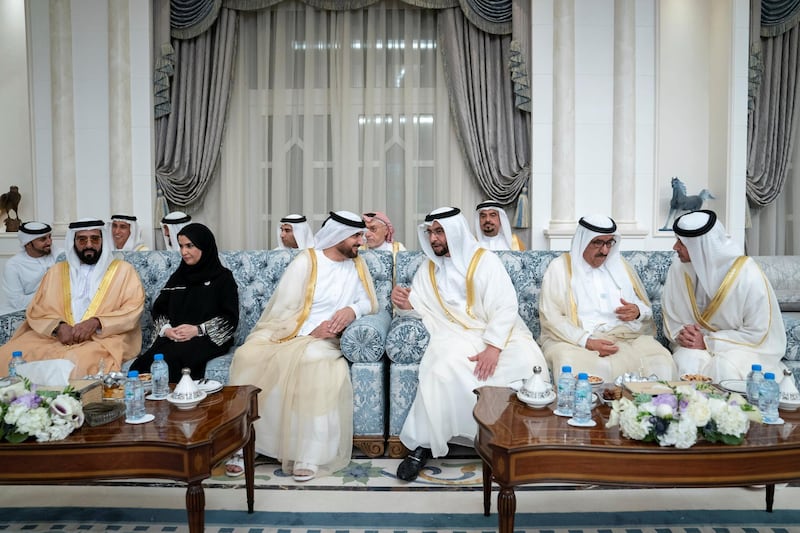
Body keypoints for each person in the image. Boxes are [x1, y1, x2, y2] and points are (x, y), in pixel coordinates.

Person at [393, 207, 546, 482]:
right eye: (430, 232)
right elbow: (422, 306)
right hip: (453, 335)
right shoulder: (428, 269)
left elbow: (505, 304)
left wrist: (494, 347)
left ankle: (521, 441)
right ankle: (423, 444)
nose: (433, 238)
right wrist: (406, 305)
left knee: (526, 362)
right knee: (441, 369)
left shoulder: (484, 261)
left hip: (499, 333)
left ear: (455, 232)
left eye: (439, 232)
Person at [225, 211, 379, 481]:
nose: (361, 242)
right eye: (356, 236)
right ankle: (247, 443)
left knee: (313, 360)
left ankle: (309, 453)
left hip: (329, 339)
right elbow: (284, 307)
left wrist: (351, 310)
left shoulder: (357, 265)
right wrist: (308, 330)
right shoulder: (306, 262)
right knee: (247, 356)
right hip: (291, 330)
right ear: (339, 236)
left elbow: (369, 302)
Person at [538, 215, 677, 383]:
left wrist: (637, 311)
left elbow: (644, 308)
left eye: (609, 243)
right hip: (575, 340)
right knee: (571, 363)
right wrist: (586, 341)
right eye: (597, 243)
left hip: (626, 337)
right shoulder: (560, 268)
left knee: (660, 361)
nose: (604, 251)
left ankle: (647, 408)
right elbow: (551, 317)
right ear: (583, 240)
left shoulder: (620, 266)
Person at [0, 218, 145, 378]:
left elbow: (133, 309)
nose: (89, 245)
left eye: (94, 239)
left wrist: (96, 322)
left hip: (103, 338)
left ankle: (67, 402)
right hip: (57, 338)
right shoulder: (56, 271)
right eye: (82, 239)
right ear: (73, 242)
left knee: (78, 362)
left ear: (102, 240)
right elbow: (38, 309)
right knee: (8, 354)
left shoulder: (124, 271)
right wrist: (58, 327)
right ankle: (24, 402)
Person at [662, 209, 787, 381]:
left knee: (723, 366)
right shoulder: (678, 268)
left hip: (741, 348)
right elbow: (673, 319)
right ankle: (688, 408)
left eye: (681, 242)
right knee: (687, 360)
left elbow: (758, 332)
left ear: (701, 246)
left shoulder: (747, 274)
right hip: (691, 346)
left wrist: (708, 342)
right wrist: (686, 336)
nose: (675, 247)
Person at [130, 223, 238, 382]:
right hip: (173, 337)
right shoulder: (178, 277)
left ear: (204, 246)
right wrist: (167, 330)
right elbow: (160, 308)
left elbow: (230, 318)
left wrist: (197, 330)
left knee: (175, 358)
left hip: (206, 338)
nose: (184, 252)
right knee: (142, 365)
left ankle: (179, 402)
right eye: (181, 246)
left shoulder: (223, 278)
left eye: (189, 246)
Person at [0, 221, 58, 314]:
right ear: (28, 244)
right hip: (27, 310)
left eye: (49, 237)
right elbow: (18, 302)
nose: (49, 242)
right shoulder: (13, 266)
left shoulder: (58, 255)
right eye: (43, 239)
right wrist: (48, 294)